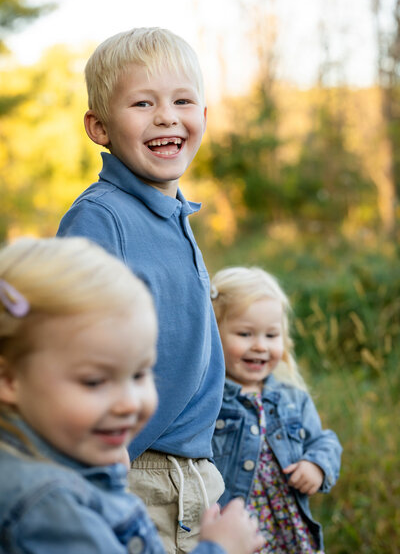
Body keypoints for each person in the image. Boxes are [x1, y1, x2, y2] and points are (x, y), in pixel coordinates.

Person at [56, 27, 226, 552]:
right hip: (140, 475)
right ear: (99, 126)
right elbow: (70, 344)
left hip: (196, 471)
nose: (167, 116)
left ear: (203, 116)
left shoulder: (174, 213)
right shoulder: (101, 218)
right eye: (143, 103)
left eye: (182, 101)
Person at [0, 236, 263, 554]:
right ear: (9, 379)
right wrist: (219, 548)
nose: (129, 403)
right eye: (95, 382)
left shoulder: (60, 465)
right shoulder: (49, 508)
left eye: (140, 374)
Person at [210, 266, 342, 554]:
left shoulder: (292, 399)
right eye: (245, 334)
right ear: (213, 333)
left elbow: (324, 440)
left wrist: (316, 465)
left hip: (287, 531)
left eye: (271, 335)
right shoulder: (209, 400)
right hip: (236, 531)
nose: (260, 346)